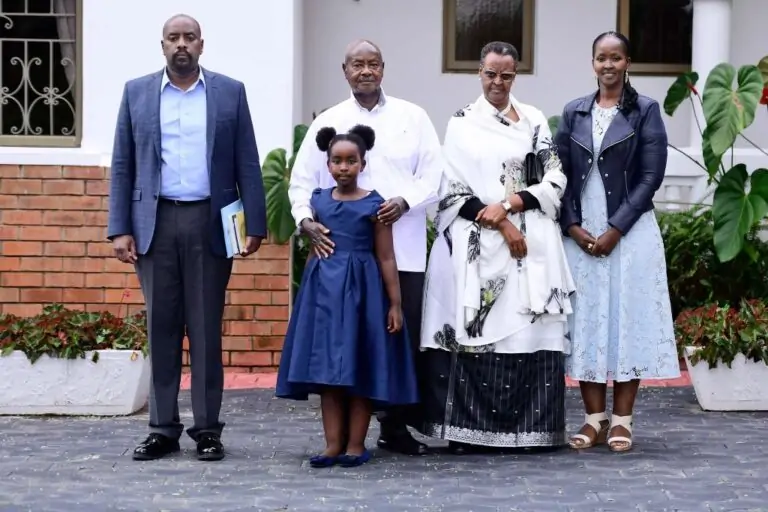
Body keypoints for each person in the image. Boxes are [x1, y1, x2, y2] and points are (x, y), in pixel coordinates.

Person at [107, 14, 266, 462]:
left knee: (205, 329)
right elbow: (123, 163)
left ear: (201, 45)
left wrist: (255, 224)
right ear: (162, 45)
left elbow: (247, 159)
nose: (182, 44)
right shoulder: (136, 92)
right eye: (173, 38)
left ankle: (207, 429)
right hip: (153, 223)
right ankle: (162, 428)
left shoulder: (229, 92)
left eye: (189, 37)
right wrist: (119, 227)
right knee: (161, 327)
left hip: (209, 222)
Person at [417, 42, 575, 454]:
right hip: (477, 241)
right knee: (478, 332)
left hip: (530, 245)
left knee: (529, 333)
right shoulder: (462, 123)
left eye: (506, 75)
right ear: (479, 73)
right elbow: (452, 189)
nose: (498, 82)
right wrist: (501, 222)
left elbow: (555, 178)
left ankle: (531, 432)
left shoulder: (534, 120)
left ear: (515, 75)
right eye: (491, 74)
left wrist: (510, 204)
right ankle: (469, 433)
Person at [288, 39, 442, 456]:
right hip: (343, 257)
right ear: (345, 71)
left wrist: (404, 201)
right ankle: (343, 437)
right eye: (357, 64)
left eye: (373, 63)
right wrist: (305, 221)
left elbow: (434, 175)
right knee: (350, 343)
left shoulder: (413, 117)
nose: (366, 71)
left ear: (383, 68)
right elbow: (302, 183)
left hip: (400, 248)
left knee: (397, 338)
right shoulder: (330, 122)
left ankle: (395, 426)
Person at [555, 31, 679, 453]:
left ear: (628, 62)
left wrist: (616, 229)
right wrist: (572, 226)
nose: (608, 65)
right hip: (582, 233)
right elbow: (559, 175)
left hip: (630, 232)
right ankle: (594, 419)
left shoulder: (645, 110)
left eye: (616, 58)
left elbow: (650, 177)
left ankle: (622, 420)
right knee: (587, 321)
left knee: (627, 321)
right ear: (592, 63)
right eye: (601, 58)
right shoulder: (574, 111)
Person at [276, 125, 419, 468]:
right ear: (327, 165)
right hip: (324, 294)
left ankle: (355, 445)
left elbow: (386, 256)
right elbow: (312, 253)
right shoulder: (318, 202)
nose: (343, 167)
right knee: (328, 374)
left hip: (364, 295)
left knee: (360, 368)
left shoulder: (375, 205)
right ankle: (332, 445)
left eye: (351, 161)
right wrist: (306, 297)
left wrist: (395, 303)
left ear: (362, 164)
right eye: (337, 161)